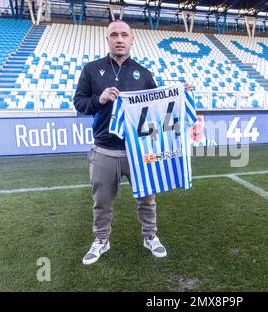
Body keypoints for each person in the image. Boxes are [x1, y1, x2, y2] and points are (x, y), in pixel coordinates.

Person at [73, 20, 192, 265]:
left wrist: (181, 93)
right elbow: (80, 104)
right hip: (104, 150)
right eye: (114, 35)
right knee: (102, 201)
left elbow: (158, 109)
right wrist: (100, 99)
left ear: (131, 39)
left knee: (147, 198)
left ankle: (150, 236)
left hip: (139, 151)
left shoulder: (144, 73)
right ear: (107, 39)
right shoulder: (91, 69)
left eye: (124, 35)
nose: (119, 39)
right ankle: (101, 240)